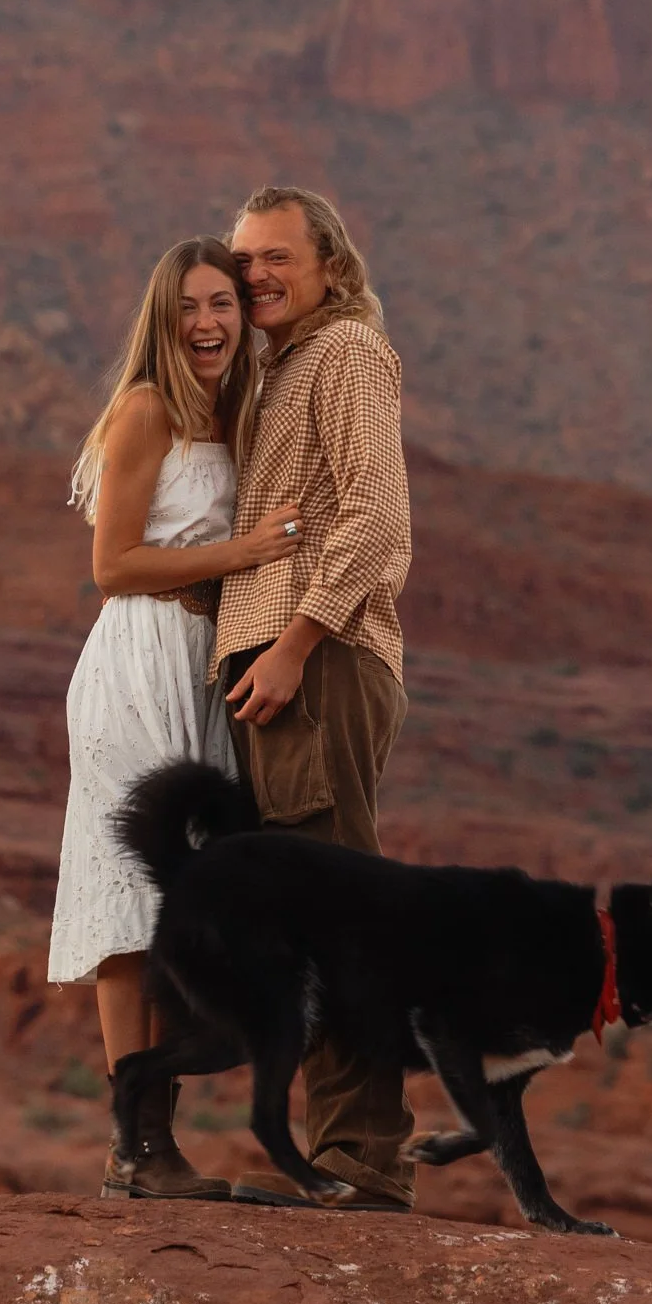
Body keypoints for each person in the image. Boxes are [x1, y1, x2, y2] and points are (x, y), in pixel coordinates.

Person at [48, 236, 303, 1199]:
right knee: (132, 903)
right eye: (189, 307)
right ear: (163, 318)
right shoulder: (147, 408)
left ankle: (154, 1142)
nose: (207, 323)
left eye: (222, 305)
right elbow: (112, 565)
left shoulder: (235, 411)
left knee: (185, 908)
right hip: (136, 662)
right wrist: (243, 553)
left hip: (200, 663)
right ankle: (138, 1148)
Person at [218, 184, 415, 1211]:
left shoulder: (343, 352)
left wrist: (296, 644)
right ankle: (343, 1154)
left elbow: (377, 519)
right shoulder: (279, 368)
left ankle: (361, 1160)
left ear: (329, 266)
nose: (255, 274)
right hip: (279, 666)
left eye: (277, 256)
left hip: (318, 661)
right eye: (244, 258)